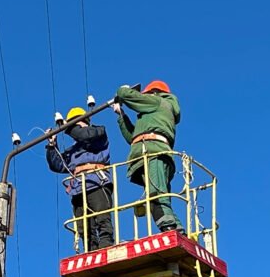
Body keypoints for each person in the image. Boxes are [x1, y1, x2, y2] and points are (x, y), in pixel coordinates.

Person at [114, 80, 181, 233]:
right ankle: (178, 230)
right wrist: (121, 115)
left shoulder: (159, 102)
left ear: (154, 92)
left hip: (153, 153)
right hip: (150, 153)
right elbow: (133, 138)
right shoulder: (152, 115)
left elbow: (128, 95)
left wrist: (123, 91)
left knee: (157, 196)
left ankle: (169, 228)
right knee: (158, 196)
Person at [46, 106, 115, 250]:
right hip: (78, 187)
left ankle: (106, 246)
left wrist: (68, 127)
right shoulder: (73, 150)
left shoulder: (98, 133)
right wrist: (52, 145)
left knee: (102, 217)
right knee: (84, 226)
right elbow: (58, 164)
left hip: (97, 181)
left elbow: (85, 135)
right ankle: (91, 251)